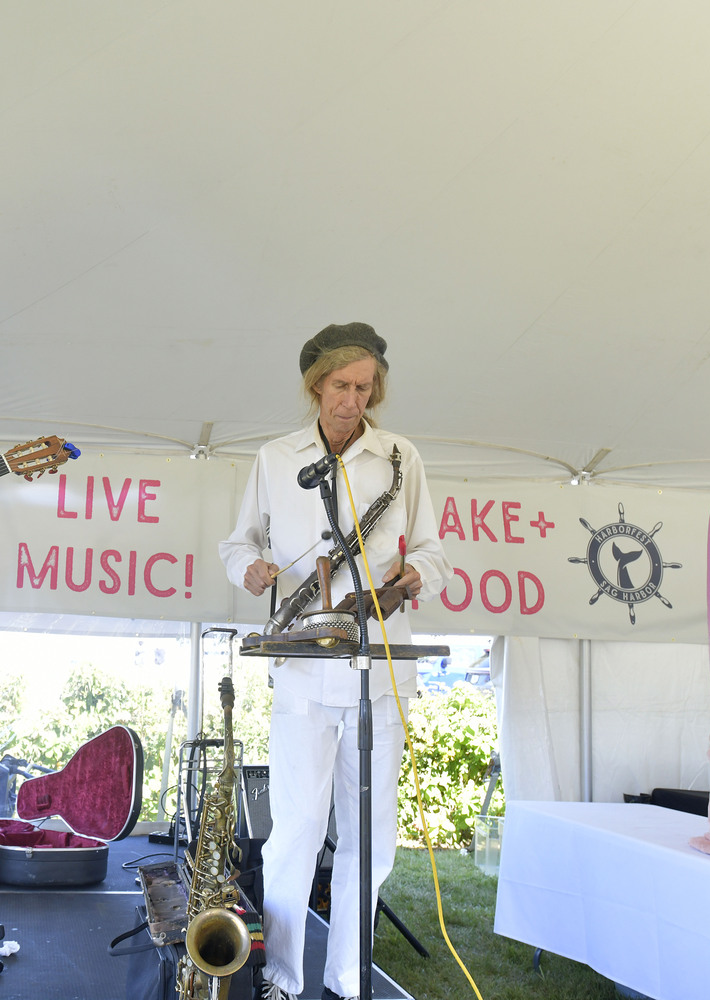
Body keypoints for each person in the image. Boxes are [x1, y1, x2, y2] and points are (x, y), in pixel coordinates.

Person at [219, 322, 450, 1000]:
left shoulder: (399, 457)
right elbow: (239, 543)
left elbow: (431, 549)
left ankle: (348, 980)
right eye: (342, 385)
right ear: (316, 384)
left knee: (369, 841)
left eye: (365, 387)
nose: (354, 399)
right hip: (301, 671)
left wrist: (413, 577)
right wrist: (253, 570)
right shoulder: (275, 456)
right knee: (292, 833)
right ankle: (284, 977)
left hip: (378, 673)